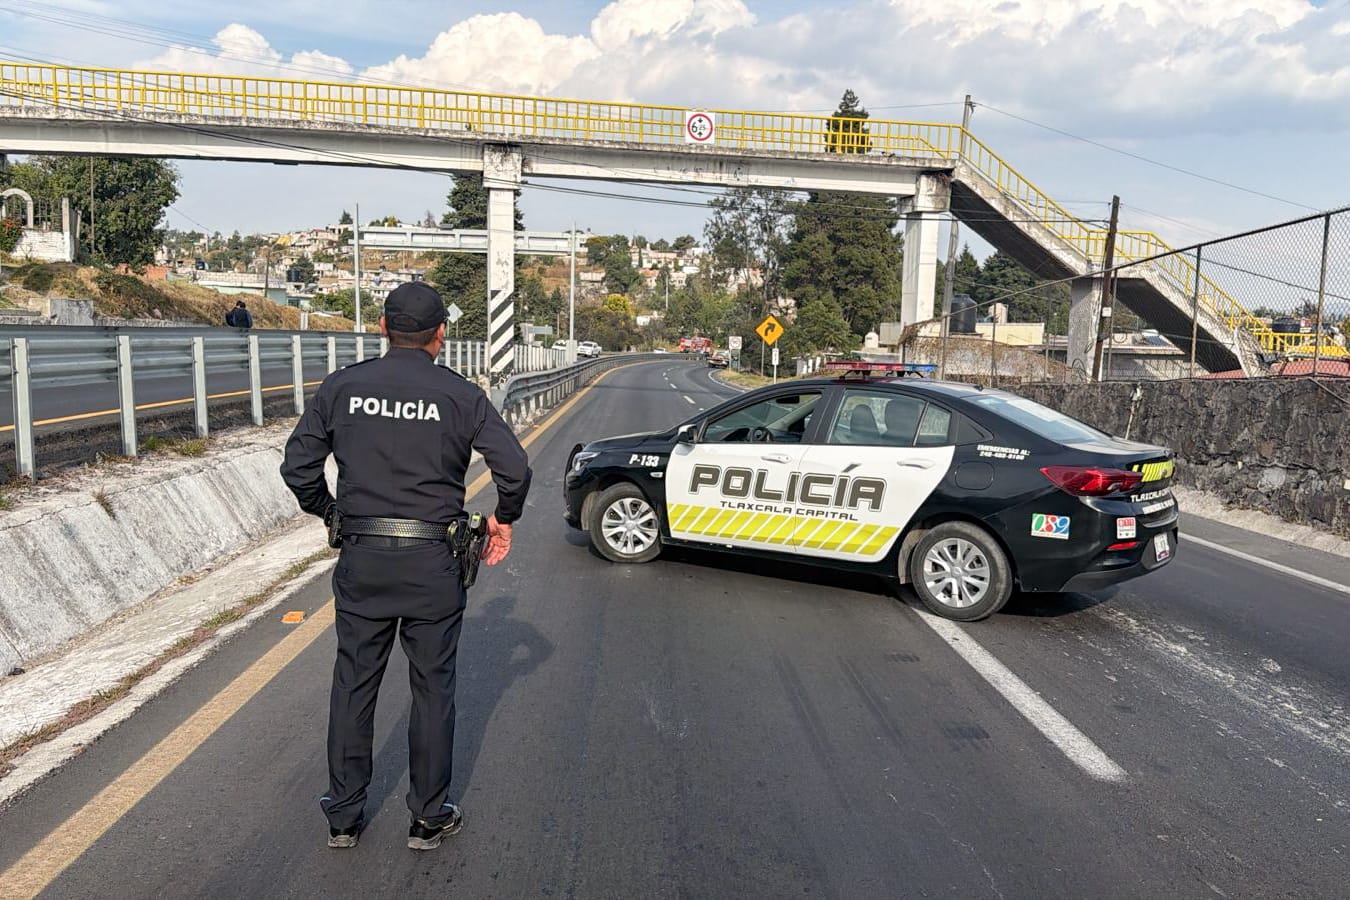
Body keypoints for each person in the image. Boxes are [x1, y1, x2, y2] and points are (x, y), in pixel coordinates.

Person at [279, 282, 531, 852]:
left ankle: (343, 815)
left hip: (363, 558)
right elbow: (513, 467)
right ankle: (427, 816)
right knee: (433, 687)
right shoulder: (460, 395)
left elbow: (298, 467)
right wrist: (503, 518)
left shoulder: (343, 387)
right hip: (432, 564)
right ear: (442, 333)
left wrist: (331, 513)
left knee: (354, 682)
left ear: (382, 327)